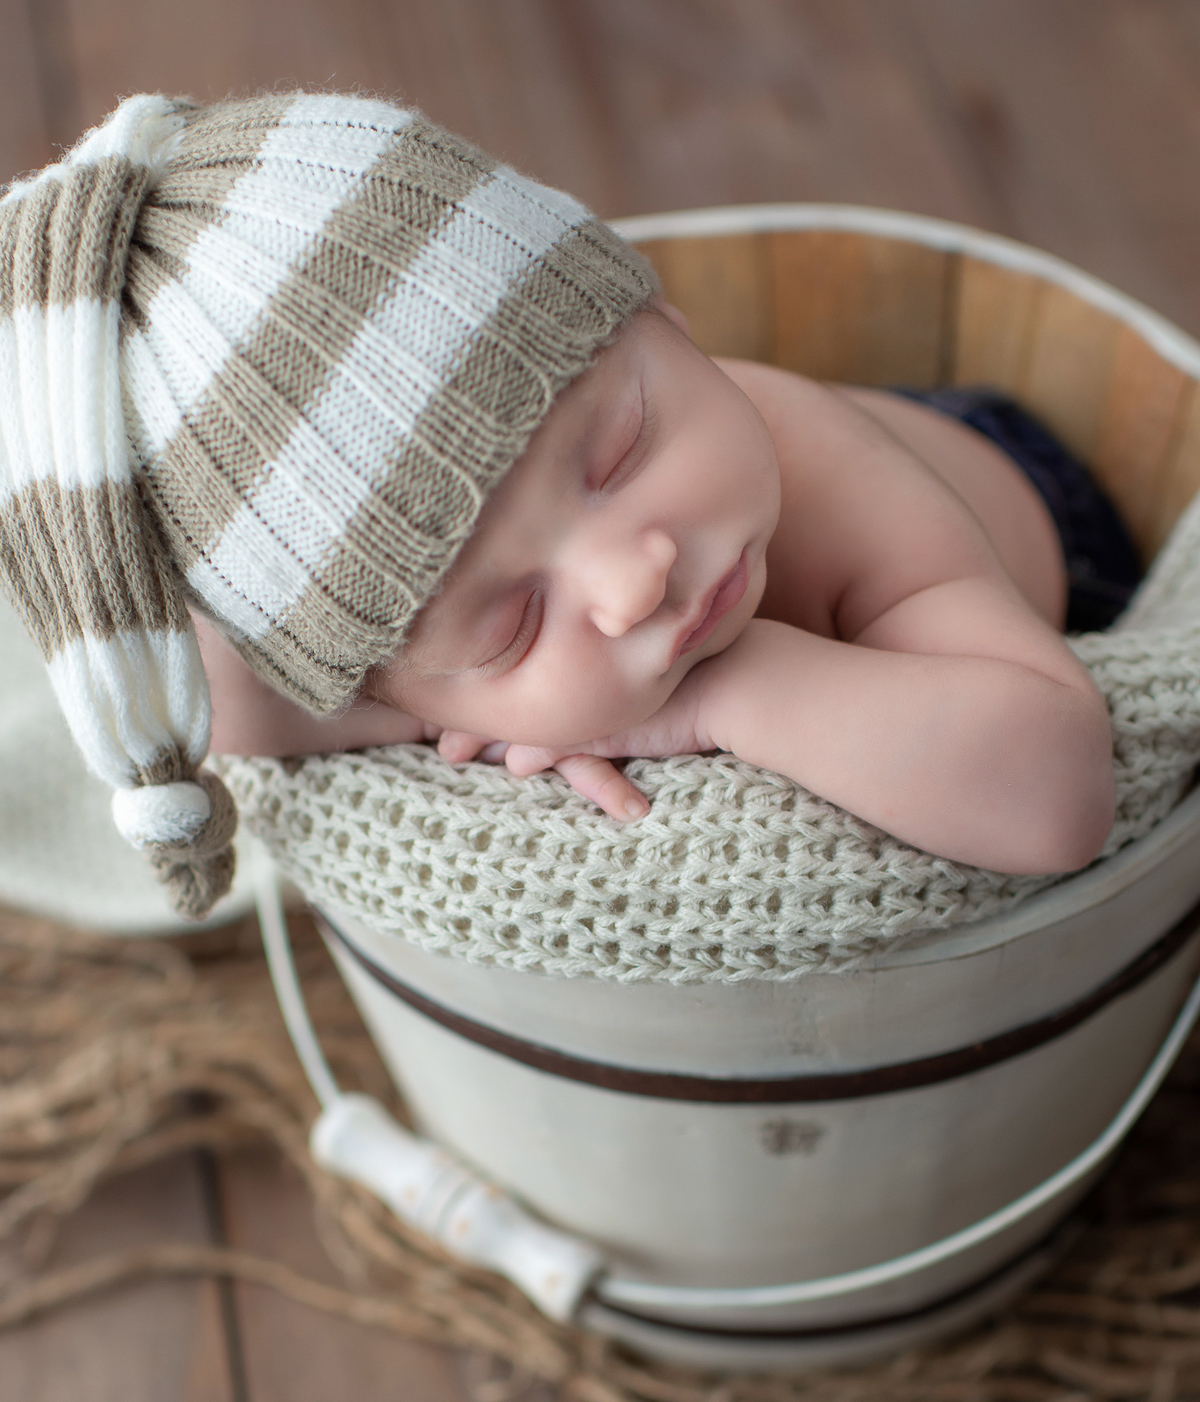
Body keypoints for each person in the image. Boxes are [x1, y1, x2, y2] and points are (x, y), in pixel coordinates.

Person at [0, 91, 1132, 922]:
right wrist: (475, 701)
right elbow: (225, 695)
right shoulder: (391, 657)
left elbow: (1060, 797)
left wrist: (729, 691)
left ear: (664, 317)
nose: (634, 579)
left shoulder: (815, 461)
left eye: (621, 451)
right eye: (510, 623)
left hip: (1048, 543)